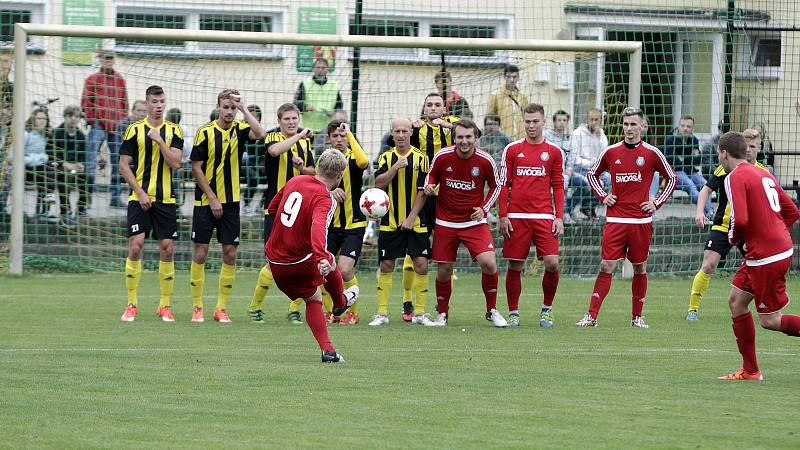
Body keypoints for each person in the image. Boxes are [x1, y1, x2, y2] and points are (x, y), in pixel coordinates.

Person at [575, 106, 676, 329]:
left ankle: (637, 317)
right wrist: (603, 196)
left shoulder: (652, 153)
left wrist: (655, 203)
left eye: (633, 124)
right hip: (616, 220)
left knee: (639, 268)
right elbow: (592, 174)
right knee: (606, 265)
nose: (629, 129)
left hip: (641, 222)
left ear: (642, 126)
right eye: (626, 124)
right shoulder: (611, 152)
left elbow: (672, 178)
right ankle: (591, 316)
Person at [716, 131, 800, 381]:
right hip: (770, 250)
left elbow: (739, 219)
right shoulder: (764, 173)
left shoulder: (734, 176)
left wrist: (733, 238)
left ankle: (751, 370)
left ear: (724, 153)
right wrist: (772, 232)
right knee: (737, 302)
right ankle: (751, 371)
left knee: (770, 320)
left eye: (718, 154)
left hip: (766, 255)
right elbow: (793, 211)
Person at [405, 119, 506, 327]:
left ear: (476, 137)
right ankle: (442, 313)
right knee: (444, 270)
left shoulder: (485, 160)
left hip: (474, 222)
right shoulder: (443, 156)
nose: (464, 141)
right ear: (454, 138)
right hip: (446, 222)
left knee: (489, 263)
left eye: (468, 137)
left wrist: (484, 209)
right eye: (460, 137)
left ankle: (492, 310)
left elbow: (497, 186)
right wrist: (430, 187)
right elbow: (430, 177)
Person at [265, 149, 358, 362]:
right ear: (340, 175)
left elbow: (272, 209)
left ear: (317, 166)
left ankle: (330, 351)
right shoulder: (326, 198)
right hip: (298, 262)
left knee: (313, 296)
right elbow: (318, 228)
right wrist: (322, 257)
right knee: (330, 262)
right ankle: (340, 302)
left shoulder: (295, 180)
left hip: (275, 263)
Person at [188, 90, 266, 324]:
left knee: (230, 253)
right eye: (226, 107)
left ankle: (221, 308)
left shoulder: (240, 129)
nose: (230, 111)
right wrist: (212, 197)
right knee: (201, 251)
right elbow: (196, 168)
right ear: (218, 107)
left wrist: (244, 110)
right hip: (205, 201)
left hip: (231, 202)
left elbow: (260, 133)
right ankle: (197, 306)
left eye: (233, 107)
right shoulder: (205, 132)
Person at [685, 128, 770, 320]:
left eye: (753, 146)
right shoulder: (725, 169)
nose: (748, 150)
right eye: (746, 146)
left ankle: (766, 306)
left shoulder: (763, 173)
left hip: (748, 230)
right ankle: (692, 310)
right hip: (723, 225)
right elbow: (706, 190)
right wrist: (699, 211)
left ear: (759, 148)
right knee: (708, 265)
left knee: (758, 268)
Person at [118, 85, 183, 322]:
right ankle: (131, 303)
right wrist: (140, 192)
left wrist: (158, 141)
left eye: (162, 102)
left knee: (167, 248)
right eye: (154, 102)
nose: (158, 106)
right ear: (146, 104)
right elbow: (124, 165)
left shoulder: (174, 130)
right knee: (136, 246)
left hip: (165, 199)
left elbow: (176, 163)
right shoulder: (134, 130)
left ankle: (164, 305)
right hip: (139, 198)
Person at [247, 103, 315, 324]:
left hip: (301, 210)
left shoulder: (305, 143)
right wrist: (298, 137)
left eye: (295, 118)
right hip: (276, 209)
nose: (292, 122)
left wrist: (302, 167)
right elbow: (275, 151)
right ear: (279, 121)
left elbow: (313, 172)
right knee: (274, 261)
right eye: (287, 119)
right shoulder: (272, 137)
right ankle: (255, 307)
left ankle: (294, 309)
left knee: (304, 259)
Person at [498, 104, 565, 328]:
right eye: (527, 121)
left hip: (544, 216)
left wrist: (559, 217)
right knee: (515, 265)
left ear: (544, 121)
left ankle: (547, 309)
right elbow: (503, 185)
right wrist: (503, 215)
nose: (531, 125)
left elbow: (558, 185)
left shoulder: (554, 152)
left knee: (552, 263)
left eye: (535, 121)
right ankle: (514, 313)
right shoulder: (512, 150)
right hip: (516, 216)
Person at [369, 118, 432, 327]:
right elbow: (378, 184)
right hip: (390, 222)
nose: (401, 134)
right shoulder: (386, 158)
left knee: (421, 265)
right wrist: (396, 167)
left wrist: (411, 216)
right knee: (386, 265)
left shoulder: (422, 159)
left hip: (415, 221)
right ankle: (382, 313)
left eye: (405, 130)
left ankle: (421, 313)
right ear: (392, 133)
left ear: (411, 133)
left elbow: (424, 191)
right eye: (397, 131)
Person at [320, 120, 369, 325]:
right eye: (336, 136)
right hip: (330, 225)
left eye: (343, 136)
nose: (339, 139)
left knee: (345, 269)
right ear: (329, 138)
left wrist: (351, 136)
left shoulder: (353, 158)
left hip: (354, 224)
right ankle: (331, 312)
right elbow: (318, 187)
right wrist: (331, 190)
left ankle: (352, 312)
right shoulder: (324, 161)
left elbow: (364, 162)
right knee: (321, 268)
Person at [81, 49, 128, 204]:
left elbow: (124, 103)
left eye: (111, 57)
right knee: (90, 160)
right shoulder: (92, 79)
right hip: (98, 125)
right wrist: (93, 120)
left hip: (116, 126)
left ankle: (115, 197)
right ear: (100, 59)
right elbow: (86, 102)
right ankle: (86, 197)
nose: (108, 60)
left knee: (117, 161)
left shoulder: (120, 80)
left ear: (114, 59)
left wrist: (120, 120)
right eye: (105, 57)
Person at [663, 115, 712, 216]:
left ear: (692, 128)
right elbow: (671, 160)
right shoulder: (670, 140)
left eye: (688, 126)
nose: (685, 129)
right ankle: (709, 212)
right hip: (676, 172)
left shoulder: (694, 140)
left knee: (706, 185)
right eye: (683, 126)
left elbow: (699, 159)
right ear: (679, 126)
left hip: (691, 171)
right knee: (691, 186)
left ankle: (709, 212)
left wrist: (682, 158)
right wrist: (690, 158)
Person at [49, 106, 88, 226]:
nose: (73, 119)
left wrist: (80, 164)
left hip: (74, 167)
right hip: (60, 166)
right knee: (64, 177)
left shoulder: (80, 135)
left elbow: (83, 155)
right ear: (65, 117)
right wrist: (66, 164)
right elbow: (51, 153)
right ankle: (65, 212)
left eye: (76, 116)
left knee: (88, 176)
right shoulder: (57, 133)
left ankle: (81, 207)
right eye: (70, 116)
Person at [567, 108, 609, 220]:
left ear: (601, 120)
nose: (594, 122)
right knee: (593, 182)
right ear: (587, 119)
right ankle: (568, 209)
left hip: (595, 170)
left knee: (610, 180)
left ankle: (588, 205)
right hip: (579, 169)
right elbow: (573, 158)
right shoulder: (577, 134)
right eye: (592, 119)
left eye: (596, 120)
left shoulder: (602, 137)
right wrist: (590, 163)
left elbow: (603, 157)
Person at [108, 100, 147, 207]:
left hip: (138, 156)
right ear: (132, 111)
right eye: (139, 110)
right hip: (122, 155)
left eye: (144, 111)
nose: (142, 114)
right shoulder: (123, 126)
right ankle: (115, 199)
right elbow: (117, 146)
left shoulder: (146, 126)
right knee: (118, 165)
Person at [293, 58, 343, 134]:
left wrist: (334, 113)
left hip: (328, 129)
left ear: (327, 69)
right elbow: (295, 103)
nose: (320, 70)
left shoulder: (334, 85)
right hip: (308, 129)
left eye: (323, 68)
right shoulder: (305, 83)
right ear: (314, 69)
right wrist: (305, 107)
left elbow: (339, 105)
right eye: (318, 67)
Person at [23, 108, 54, 221]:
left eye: (44, 118)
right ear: (33, 120)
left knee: (51, 178)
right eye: (39, 118)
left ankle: (46, 210)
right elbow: (16, 156)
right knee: (44, 175)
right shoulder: (27, 134)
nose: (42, 121)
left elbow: (49, 153)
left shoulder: (46, 135)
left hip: (41, 166)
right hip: (26, 168)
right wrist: (39, 158)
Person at [487, 64, 528, 140]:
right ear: (504, 77)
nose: (512, 80)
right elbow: (490, 117)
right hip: (502, 139)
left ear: (518, 78)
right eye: (509, 77)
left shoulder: (523, 96)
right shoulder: (496, 95)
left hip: (521, 137)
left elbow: (526, 117)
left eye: (514, 77)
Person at [241, 104, 264, 216]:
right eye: (251, 116)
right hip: (242, 165)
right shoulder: (241, 129)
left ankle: (262, 206)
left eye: (256, 116)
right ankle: (246, 205)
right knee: (254, 177)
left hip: (256, 164)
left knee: (273, 173)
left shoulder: (261, 132)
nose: (254, 119)